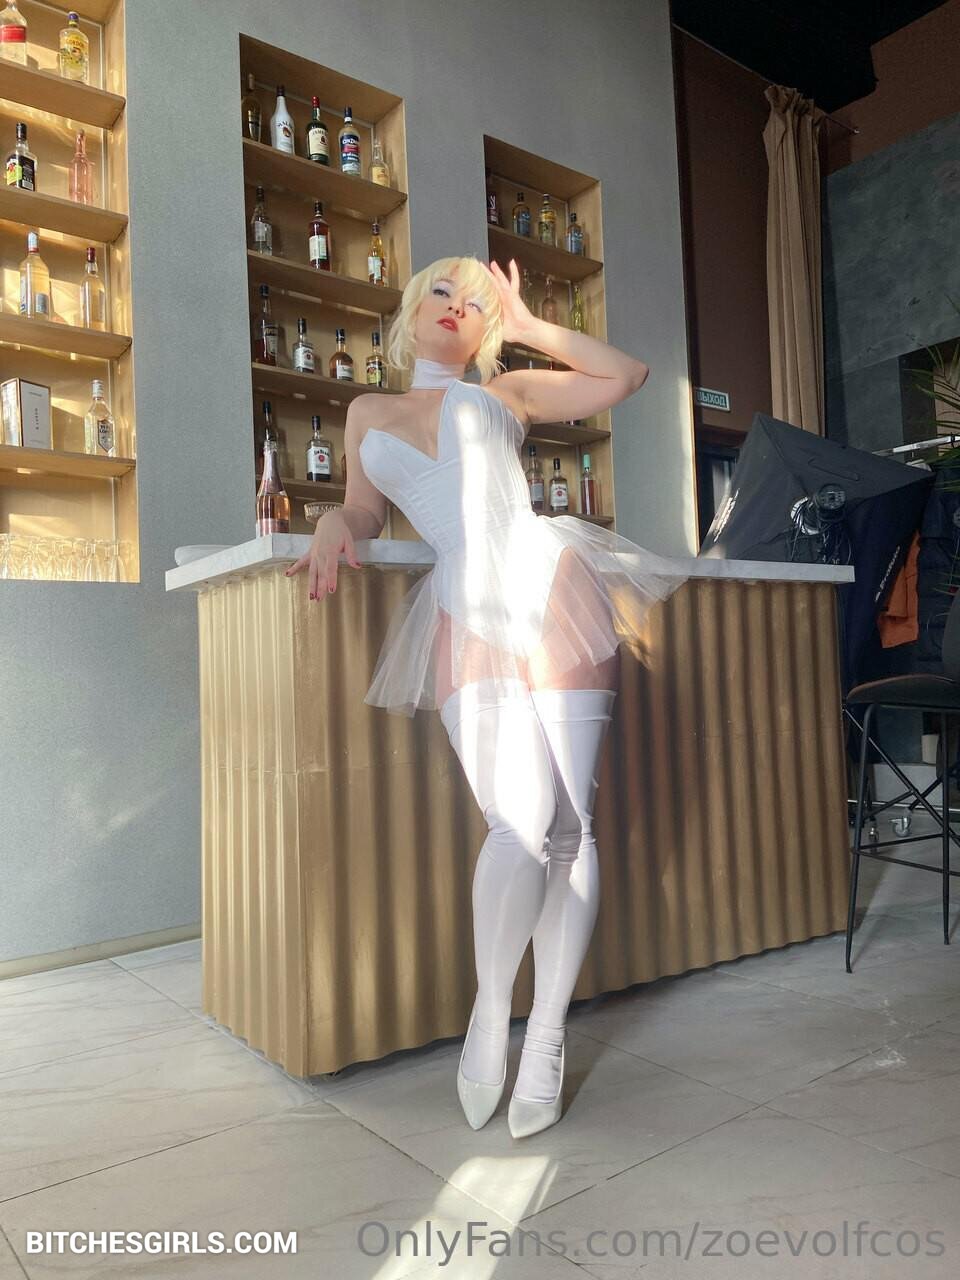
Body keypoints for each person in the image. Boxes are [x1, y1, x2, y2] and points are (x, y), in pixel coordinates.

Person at [287, 254, 689, 1137]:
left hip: (550, 585)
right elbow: (364, 512)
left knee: (570, 824)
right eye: (441, 291)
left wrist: (531, 325)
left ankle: (544, 1037)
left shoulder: (506, 394)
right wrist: (330, 520)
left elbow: (626, 376)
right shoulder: (367, 412)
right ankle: (491, 1011)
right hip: (464, 602)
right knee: (516, 822)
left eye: (474, 303)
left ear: (485, 331)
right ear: (410, 309)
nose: (455, 307)